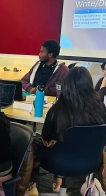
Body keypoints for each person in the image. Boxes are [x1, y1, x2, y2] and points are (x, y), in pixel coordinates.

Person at [26, 67, 106, 195]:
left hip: (58, 163)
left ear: (66, 85)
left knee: (32, 143)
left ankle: (32, 187)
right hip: (91, 162)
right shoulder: (101, 108)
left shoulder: (57, 110)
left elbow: (45, 138)